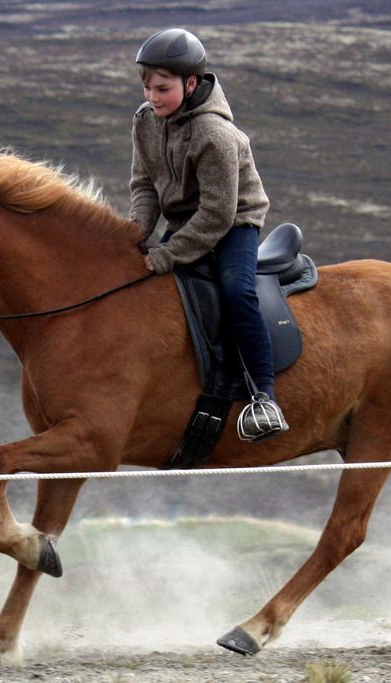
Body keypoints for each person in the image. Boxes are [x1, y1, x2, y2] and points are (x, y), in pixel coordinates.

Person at [130, 27, 288, 442]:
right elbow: (144, 185)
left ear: (191, 82)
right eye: (147, 88)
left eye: (162, 88)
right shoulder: (146, 122)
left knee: (237, 291)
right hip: (185, 223)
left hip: (235, 223)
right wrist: (134, 234)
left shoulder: (215, 135)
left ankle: (264, 397)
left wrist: (167, 254)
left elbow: (217, 215)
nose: (152, 97)